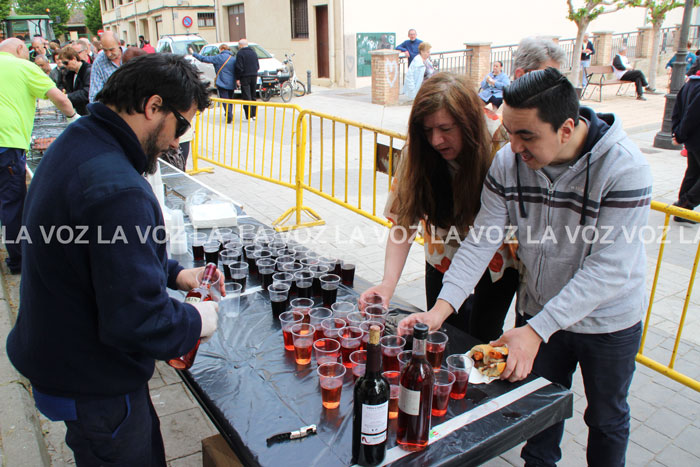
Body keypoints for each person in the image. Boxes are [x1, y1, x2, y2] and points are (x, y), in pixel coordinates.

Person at [401, 67, 651, 467]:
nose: (514, 147)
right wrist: (440, 310)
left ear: (566, 129)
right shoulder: (508, 162)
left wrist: (535, 331)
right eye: (510, 132)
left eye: (527, 136)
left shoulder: (624, 168)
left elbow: (609, 269)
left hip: (607, 322)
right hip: (537, 309)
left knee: (606, 419)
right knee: (537, 416)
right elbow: (481, 241)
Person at [6, 53, 220, 465]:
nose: (177, 142)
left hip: (62, 355)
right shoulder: (117, 188)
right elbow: (138, 320)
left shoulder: (82, 138)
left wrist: (176, 274)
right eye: (181, 126)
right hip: (92, 380)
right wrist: (197, 320)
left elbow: (97, 250)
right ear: (153, 106)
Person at [361, 73, 519, 343]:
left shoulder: (501, 142)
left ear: (468, 122)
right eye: (427, 130)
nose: (436, 140)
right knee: (439, 336)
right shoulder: (417, 149)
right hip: (442, 258)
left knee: (481, 341)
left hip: (496, 262)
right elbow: (403, 222)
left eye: (445, 129)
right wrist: (387, 284)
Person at [0, 38, 76, 274]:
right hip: (7, 143)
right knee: (12, 204)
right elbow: (60, 99)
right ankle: (18, 261)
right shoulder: (24, 67)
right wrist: (74, 119)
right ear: (20, 49)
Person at [672, 60, 700, 223]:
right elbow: (692, 115)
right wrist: (680, 135)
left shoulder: (690, 84)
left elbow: (678, 110)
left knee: (693, 173)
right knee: (693, 173)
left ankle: (681, 211)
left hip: (692, 139)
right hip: (695, 138)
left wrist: (677, 132)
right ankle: (685, 204)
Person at [192, 43, 236, 123]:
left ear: (222, 49)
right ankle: (229, 113)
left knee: (225, 99)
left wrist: (194, 54)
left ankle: (229, 115)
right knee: (230, 99)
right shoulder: (233, 58)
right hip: (231, 82)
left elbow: (204, 59)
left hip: (222, 81)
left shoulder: (218, 57)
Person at [89, 31, 123, 102]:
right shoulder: (98, 63)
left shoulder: (131, 55)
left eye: (111, 49)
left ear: (119, 44)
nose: (108, 54)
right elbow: (94, 96)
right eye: (105, 50)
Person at [58, 46, 92, 116]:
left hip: (87, 111)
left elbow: (87, 93)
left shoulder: (88, 71)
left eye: (66, 63)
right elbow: (61, 85)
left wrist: (68, 96)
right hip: (77, 111)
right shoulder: (69, 73)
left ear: (74, 58)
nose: (65, 66)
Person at [234, 38, 259, 120]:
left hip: (245, 76)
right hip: (254, 75)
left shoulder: (240, 53)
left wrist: (238, 78)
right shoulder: (253, 52)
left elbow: (239, 67)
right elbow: (257, 65)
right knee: (253, 95)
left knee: (246, 96)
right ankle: (254, 114)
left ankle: (249, 116)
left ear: (240, 45)